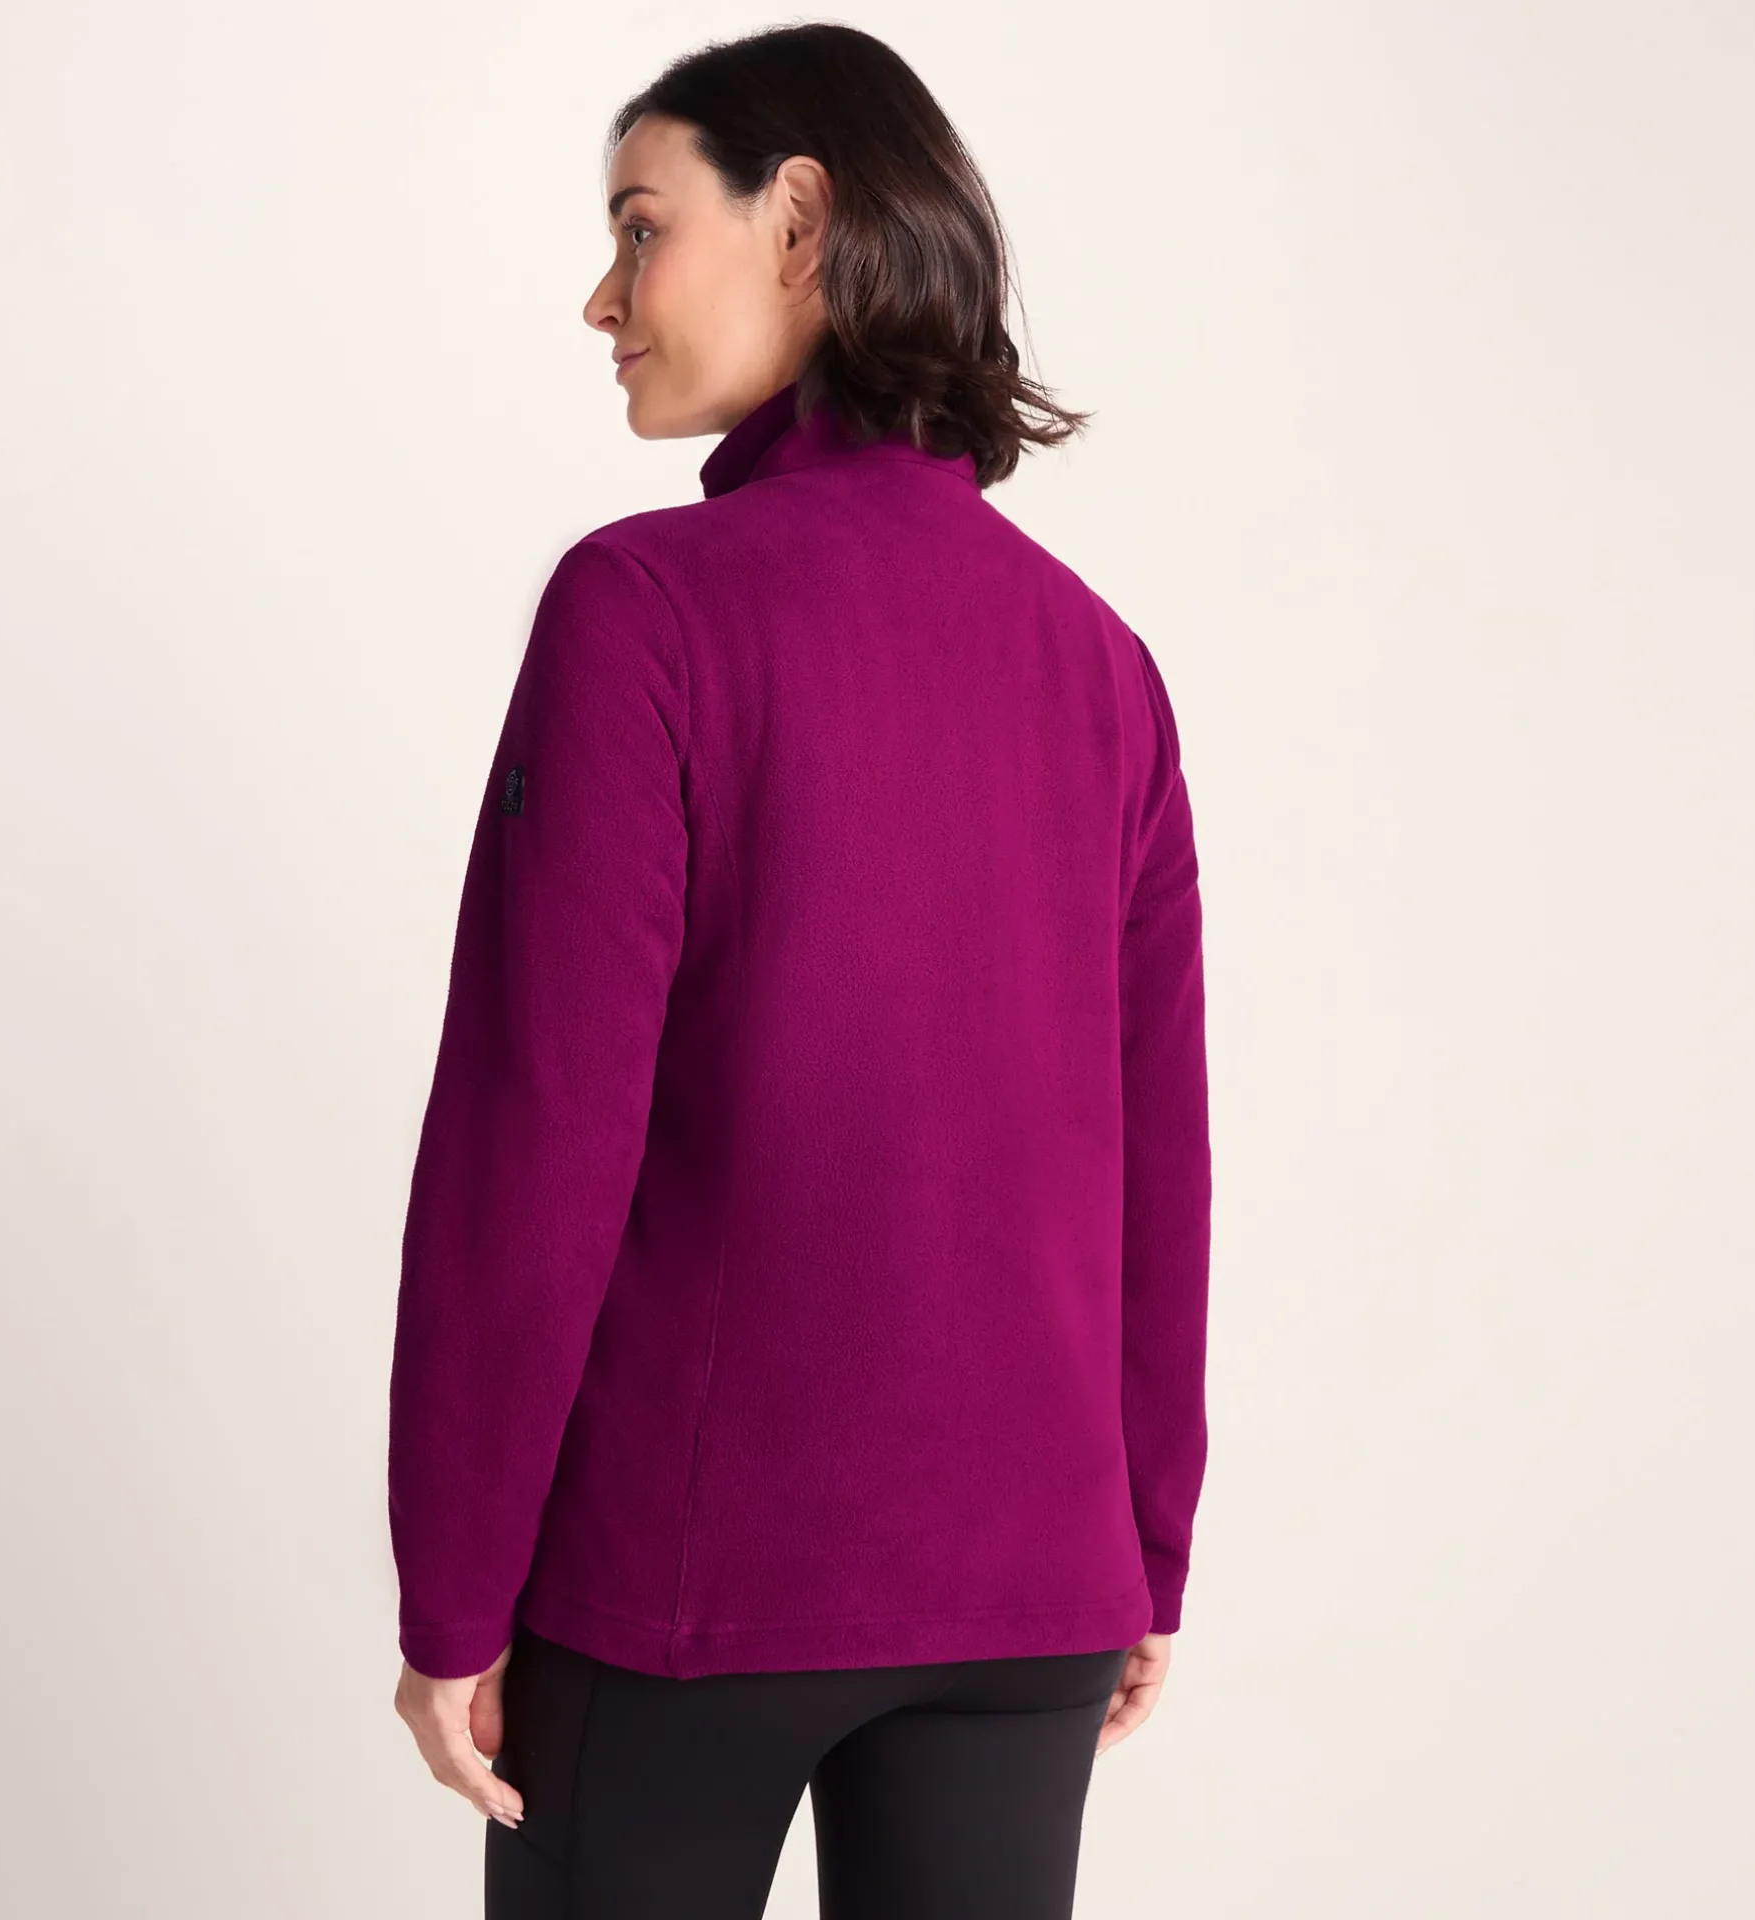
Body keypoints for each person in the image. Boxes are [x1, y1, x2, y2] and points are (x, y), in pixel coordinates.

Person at [387, 22, 1212, 1918]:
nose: (603, 298)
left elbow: (537, 1134)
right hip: (1031, 1594)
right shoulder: (1104, 665)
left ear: (803, 218)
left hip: (692, 1593)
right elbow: (1155, 1160)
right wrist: (1142, 1548)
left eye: (640, 227)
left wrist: (455, 1588)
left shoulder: (644, 613)